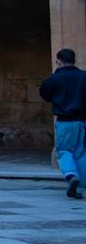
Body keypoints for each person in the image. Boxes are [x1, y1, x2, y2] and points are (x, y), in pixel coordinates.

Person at [39, 49, 86, 199]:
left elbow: (44, 92)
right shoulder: (83, 76)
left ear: (59, 62)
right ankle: (80, 187)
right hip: (82, 121)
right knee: (81, 152)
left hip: (65, 121)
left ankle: (71, 175)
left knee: (64, 151)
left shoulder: (56, 78)